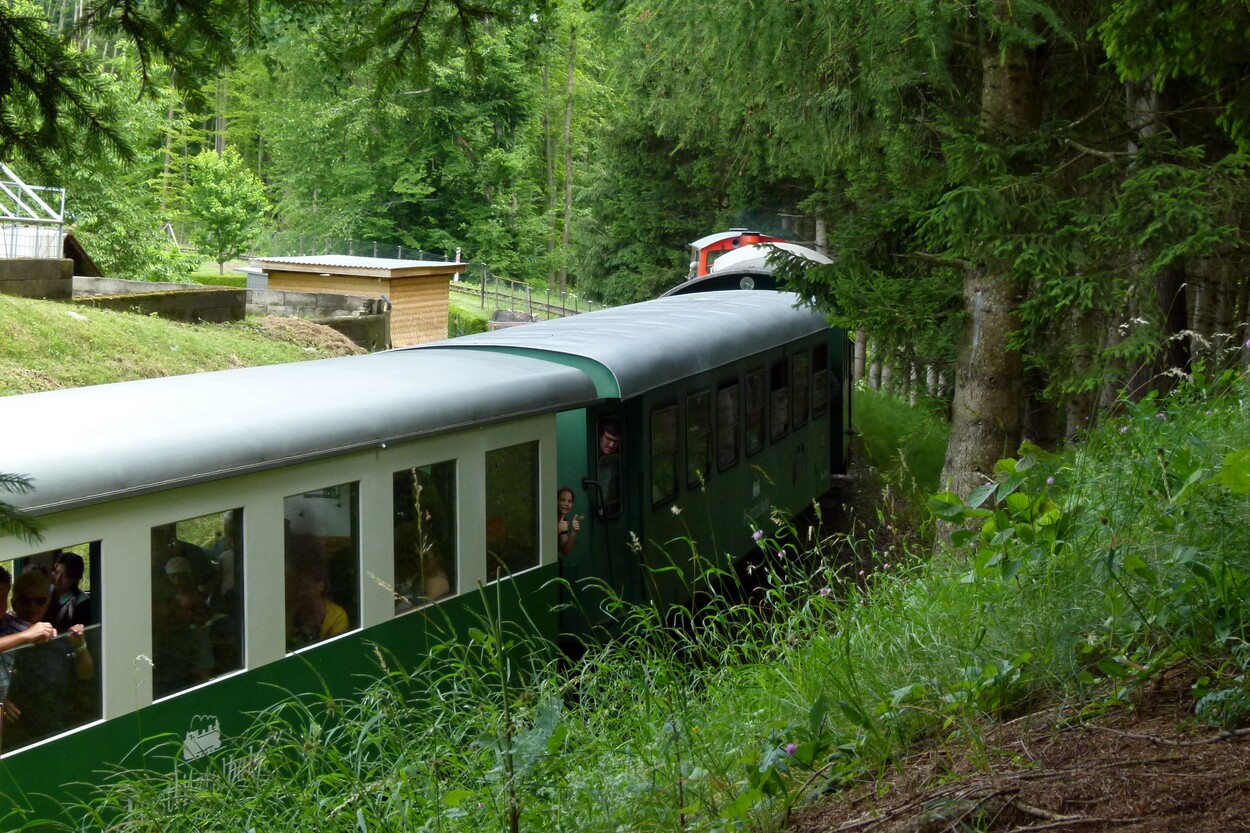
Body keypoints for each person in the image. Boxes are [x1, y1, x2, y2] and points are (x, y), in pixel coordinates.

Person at [1, 570, 94, 748]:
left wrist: (80, 644)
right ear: (14, 603)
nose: (32, 607)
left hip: (55, 724)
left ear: (48, 602)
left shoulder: (55, 635)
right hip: (17, 731)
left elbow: (86, 674)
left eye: (39, 601)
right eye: (25, 601)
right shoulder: (6, 628)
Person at [46, 552, 92, 631]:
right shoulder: (45, 591)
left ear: (75, 578)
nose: (57, 579)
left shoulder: (82, 603)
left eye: (65, 576)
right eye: (56, 572)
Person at [556, 486, 581, 555]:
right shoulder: (548, 518)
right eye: (562, 500)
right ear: (556, 501)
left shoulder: (563, 519)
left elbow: (565, 551)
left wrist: (574, 531)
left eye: (570, 501)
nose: (566, 504)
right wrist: (558, 529)